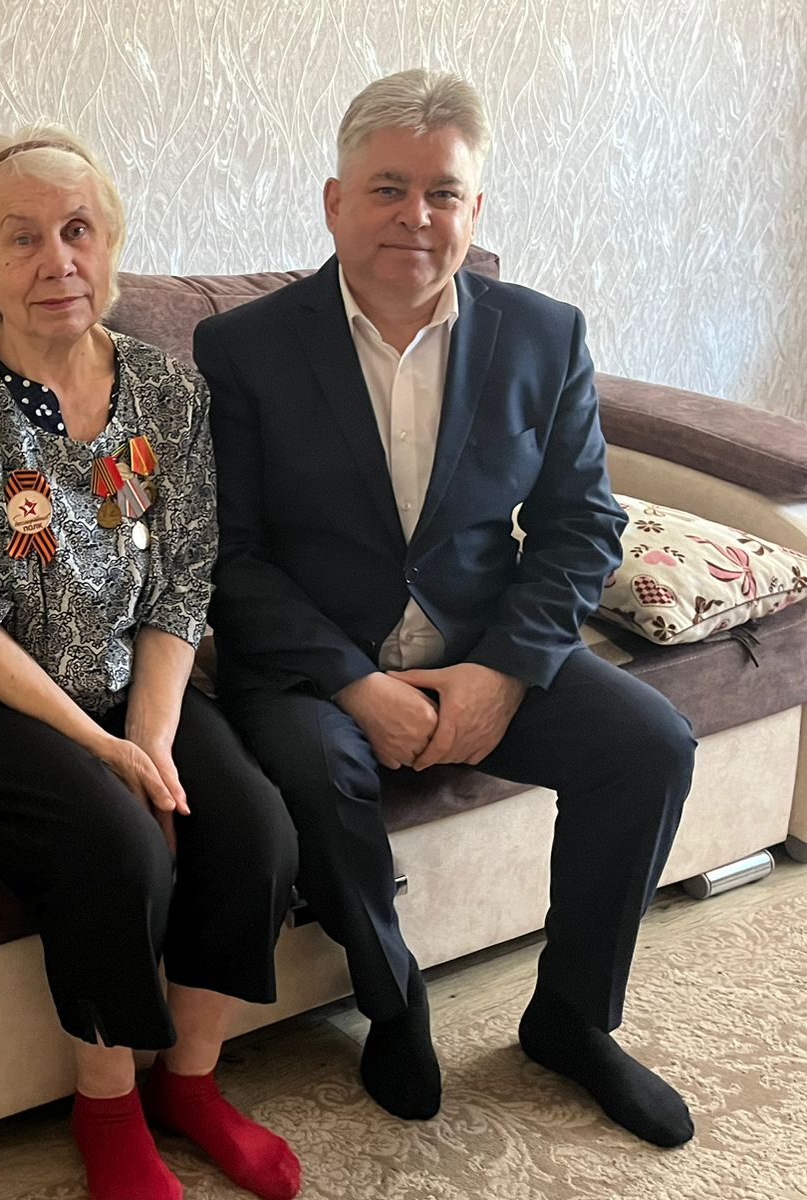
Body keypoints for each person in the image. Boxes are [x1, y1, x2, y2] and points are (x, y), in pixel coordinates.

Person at [196, 70, 696, 1147]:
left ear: (476, 209)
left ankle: (571, 1021)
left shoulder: (543, 335)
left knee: (650, 744)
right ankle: (393, 1002)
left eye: (442, 192)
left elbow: (579, 527)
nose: (413, 217)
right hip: (313, 666)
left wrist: (503, 671)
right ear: (335, 202)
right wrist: (353, 683)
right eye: (387, 188)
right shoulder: (242, 348)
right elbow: (230, 556)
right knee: (316, 773)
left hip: (481, 642)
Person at [0, 125, 303, 1200]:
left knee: (253, 830)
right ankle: (106, 1111)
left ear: (111, 245)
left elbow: (182, 580)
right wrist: (106, 755)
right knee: (119, 847)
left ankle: (188, 1084)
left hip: (122, 677)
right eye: (22, 238)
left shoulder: (167, 391)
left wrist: (150, 738)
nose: (56, 260)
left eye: (78, 229)